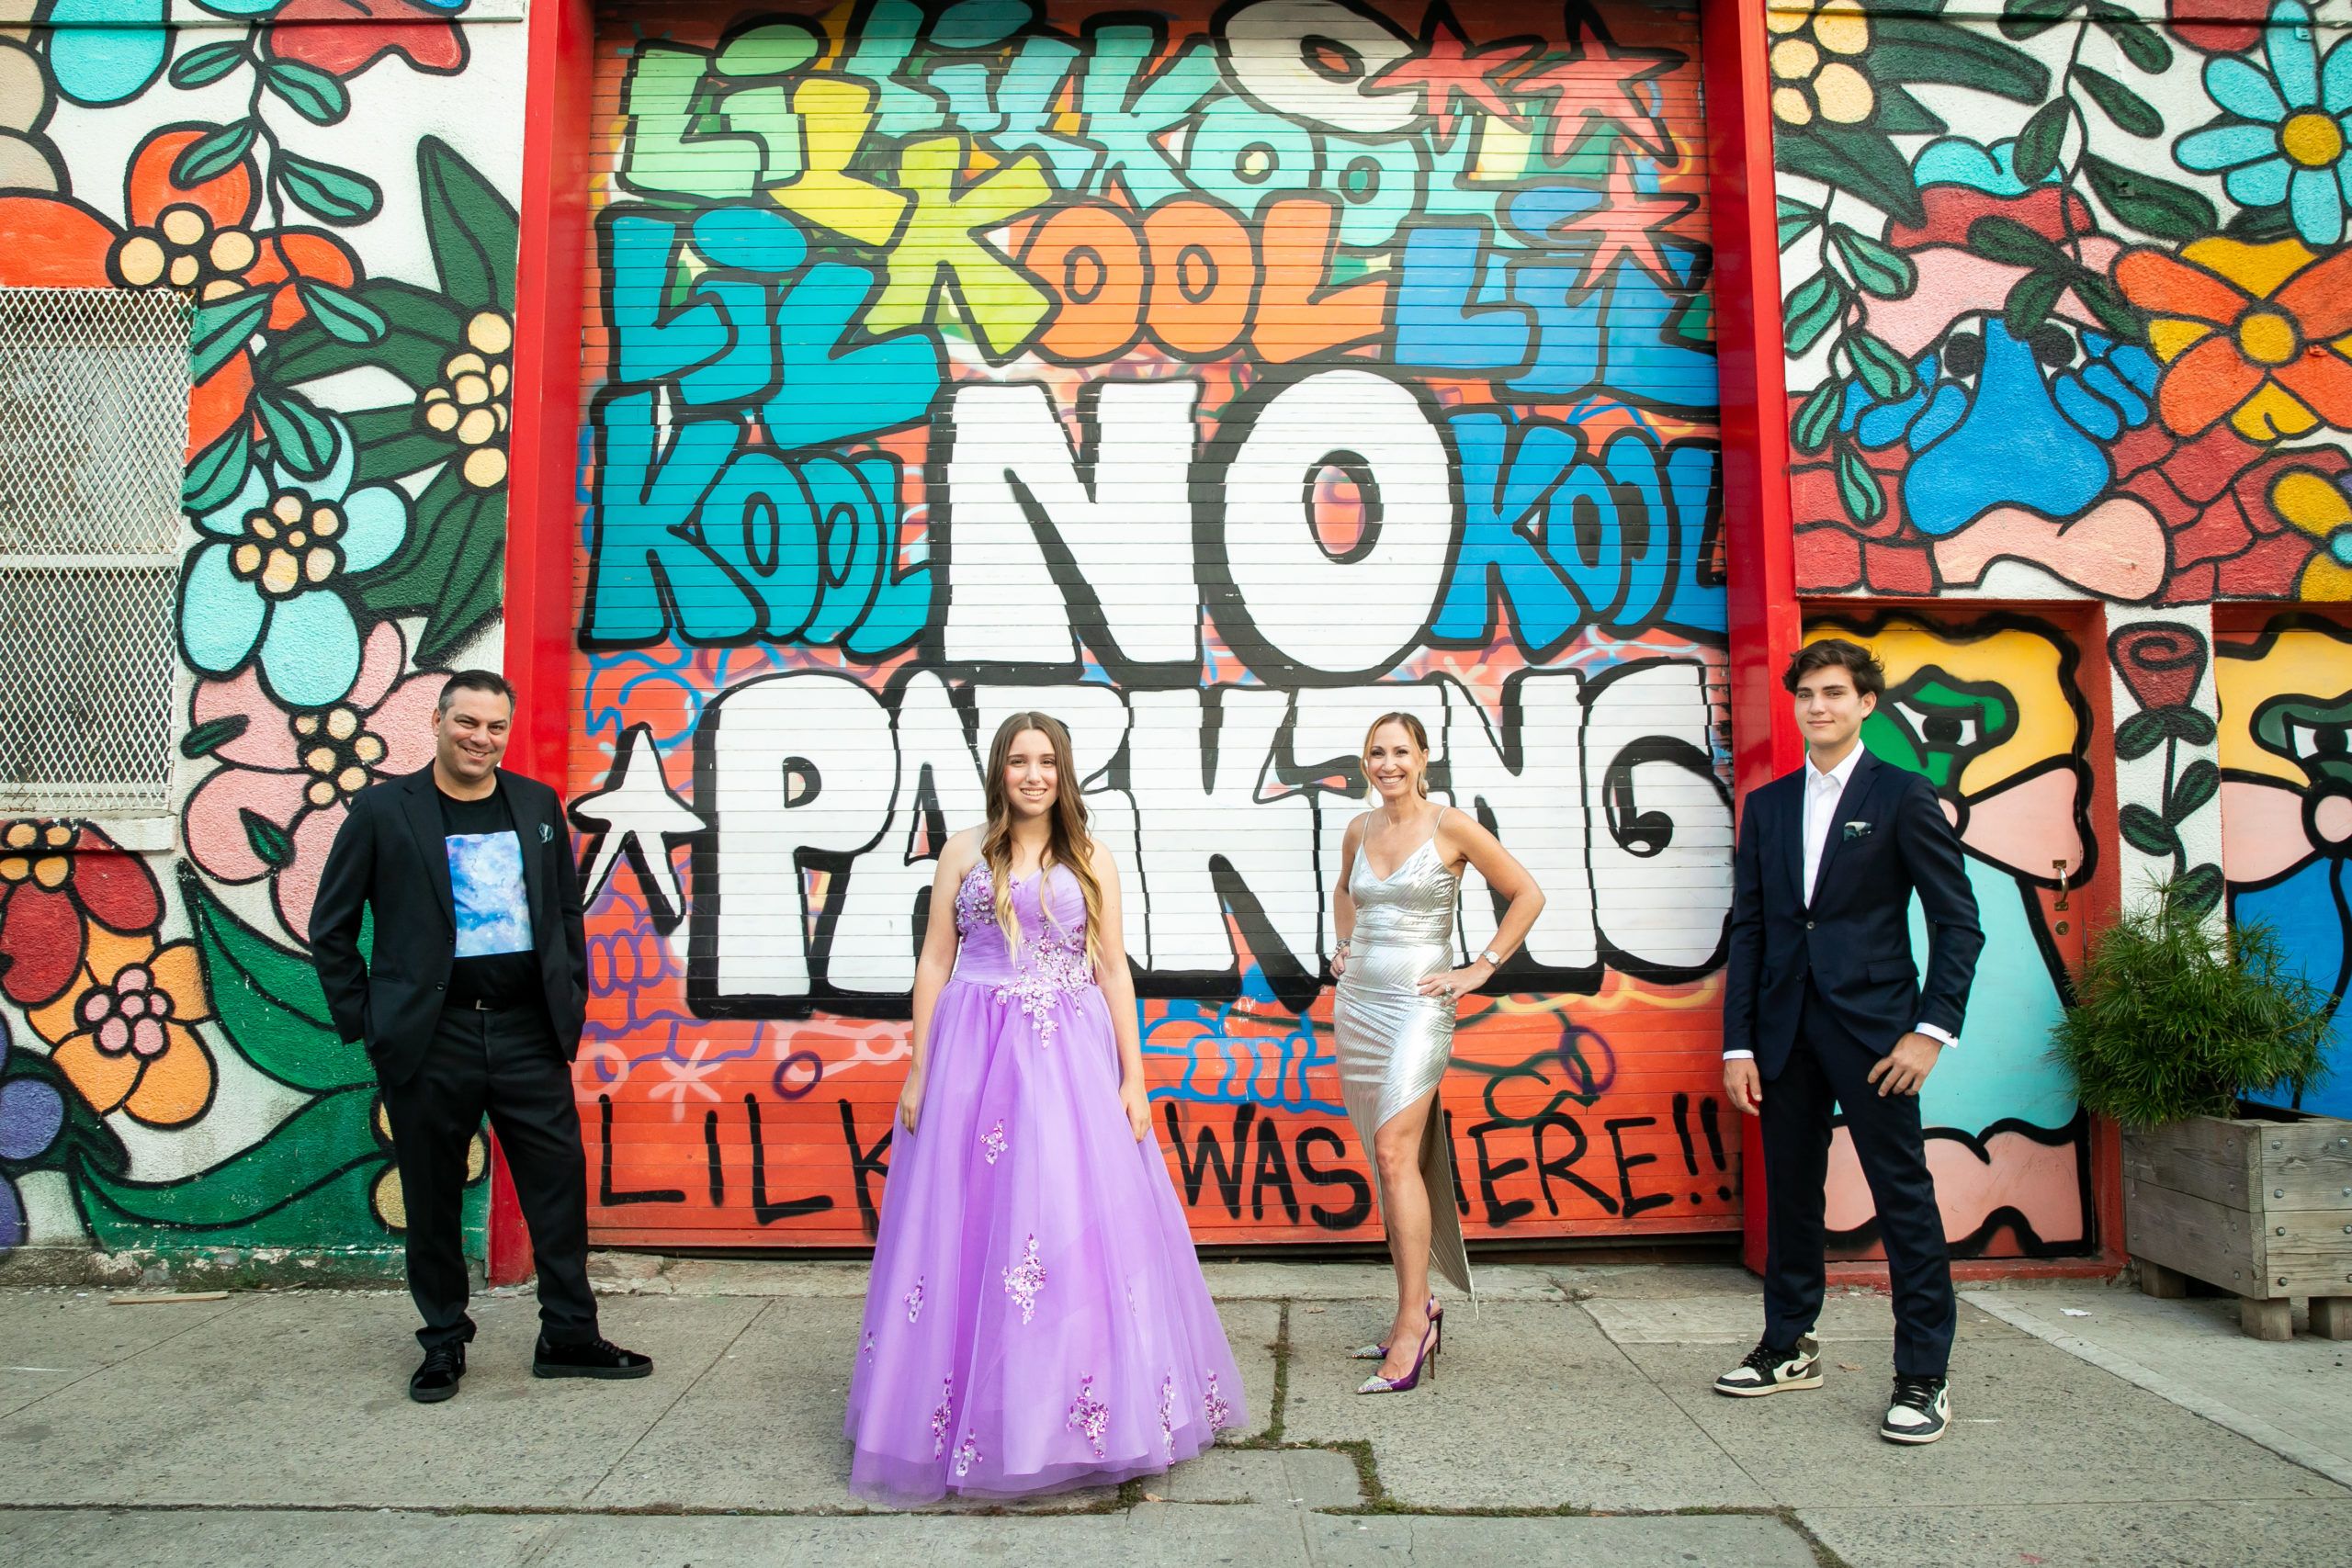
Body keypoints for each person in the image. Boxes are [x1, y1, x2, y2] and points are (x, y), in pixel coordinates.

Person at [843, 712, 1243, 1505]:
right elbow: (933, 960)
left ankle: (1068, 1416)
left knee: (1061, 1228)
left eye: (1047, 761)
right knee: (971, 1231)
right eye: (1019, 760)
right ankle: (968, 1415)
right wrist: (919, 1066)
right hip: (970, 1054)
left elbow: (1116, 973)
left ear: (1065, 772)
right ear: (999, 769)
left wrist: (1135, 1076)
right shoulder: (963, 851)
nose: (1033, 774)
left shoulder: (1091, 856)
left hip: (1067, 1061)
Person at [311, 670, 650, 1403]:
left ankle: (568, 1333)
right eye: (467, 722)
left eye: (496, 726)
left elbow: (563, 911)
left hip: (528, 1031)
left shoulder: (535, 805)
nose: (481, 738)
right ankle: (442, 1342)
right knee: (432, 1198)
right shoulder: (381, 811)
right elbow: (331, 929)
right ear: (436, 721)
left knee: (556, 1189)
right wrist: (369, 1024)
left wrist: (570, 1001)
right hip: (433, 1037)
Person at [1716, 638, 1983, 1445]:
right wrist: (1738, 1044)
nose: (1818, 706)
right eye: (1807, 694)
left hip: (1876, 1035)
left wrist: (1930, 1032)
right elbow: (1753, 930)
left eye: (1835, 692)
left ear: (1867, 703)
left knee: (1903, 1199)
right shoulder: (1768, 805)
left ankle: (1923, 1374)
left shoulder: (1902, 794)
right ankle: (1788, 1342)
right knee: (1791, 1194)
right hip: (1782, 1031)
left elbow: (1957, 922)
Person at [1329, 713, 1544, 1394]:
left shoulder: (1452, 825)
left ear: (1425, 756)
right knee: (1391, 1161)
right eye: (1375, 751)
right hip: (1358, 1006)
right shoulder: (1358, 830)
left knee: (1395, 1153)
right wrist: (1344, 947)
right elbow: (1345, 891)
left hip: (1419, 1007)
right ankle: (1419, 1306)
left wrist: (1479, 967)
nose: (1387, 762)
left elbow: (1527, 894)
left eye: (1400, 750)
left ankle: (1410, 1325)